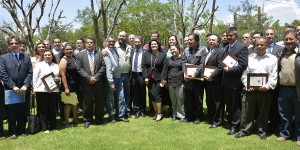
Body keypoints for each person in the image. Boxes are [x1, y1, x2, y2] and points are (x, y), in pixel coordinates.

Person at [236, 37, 278, 140]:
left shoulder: (273, 59)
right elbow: (245, 74)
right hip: (250, 90)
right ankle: (244, 130)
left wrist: (267, 86)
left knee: (263, 112)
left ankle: (262, 131)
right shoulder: (249, 58)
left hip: (265, 90)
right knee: (247, 111)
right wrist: (247, 85)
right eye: (257, 45)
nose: (259, 46)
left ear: (267, 46)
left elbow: (274, 75)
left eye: (262, 45)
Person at [0, 35, 32, 139]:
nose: (14, 45)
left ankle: (21, 130)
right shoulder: (3, 58)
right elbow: (3, 74)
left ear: (19, 44)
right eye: (11, 43)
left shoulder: (26, 58)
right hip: (11, 90)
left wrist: (26, 85)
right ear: (8, 46)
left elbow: (30, 73)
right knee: (11, 112)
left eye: (16, 43)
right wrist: (13, 86)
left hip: (23, 89)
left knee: (23, 111)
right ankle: (12, 132)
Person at [276, 30, 300, 146]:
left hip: (297, 89)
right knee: (284, 113)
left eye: (291, 39)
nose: (288, 41)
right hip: (283, 88)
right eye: (286, 39)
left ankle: (299, 136)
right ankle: (285, 133)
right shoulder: (281, 53)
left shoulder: (299, 53)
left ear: (297, 39)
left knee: (299, 113)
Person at [76, 36, 106, 128]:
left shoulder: (100, 54)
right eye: (88, 42)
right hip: (86, 83)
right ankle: (87, 120)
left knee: (99, 103)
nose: (89, 44)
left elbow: (103, 67)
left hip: (98, 83)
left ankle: (99, 120)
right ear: (85, 44)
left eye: (91, 42)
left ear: (94, 44)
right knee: (87, 103)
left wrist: (95, 78)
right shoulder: (80, 55)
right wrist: (89, 78)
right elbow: (79, 68)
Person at [222, 27, 248, 135]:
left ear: (236, 36)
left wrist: (230, 70)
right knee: (229, 104)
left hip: (235, 82)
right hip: (226, 82)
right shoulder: (226, 47)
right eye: (227, 36)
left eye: (231, 35)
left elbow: (243, 65)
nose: (228, 37)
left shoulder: (241, 47)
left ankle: (236, 126)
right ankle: (231, 122)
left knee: (236, 105)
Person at [182, 33, 208, 124]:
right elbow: (183, 62)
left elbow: (202, 64)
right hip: (187, 78)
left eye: (191, 40)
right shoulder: (185, 50)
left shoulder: (203, 50)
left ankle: (197, 117)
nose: (188, 41)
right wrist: (185, 74)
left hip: (197, 79)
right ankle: (188, 116)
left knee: (198, 99)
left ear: (196, 41)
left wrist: (195, 74)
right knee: (187, 98)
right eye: (188, 40)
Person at [32, 50, 60, 133]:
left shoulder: (55, 65)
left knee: (52, 108)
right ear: (43, 56)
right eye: (46, 55)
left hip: (53, 89)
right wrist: (34, 89)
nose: (47, 56)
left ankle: (53, 126)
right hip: (41, 90)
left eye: (49, 55)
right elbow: (35, 77)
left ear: (52, 56)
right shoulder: (39, 65)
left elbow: (58, 77)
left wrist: (57, 79)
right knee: (43, 109)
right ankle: (44, 128)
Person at [103, 36, 128, 123]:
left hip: (119, 77)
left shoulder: (115, 49)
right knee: (110, 99)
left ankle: (120, 115)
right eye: (109, 41)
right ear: (106, 42)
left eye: (113, 41)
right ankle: (111, 116)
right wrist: (111, 83)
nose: (111, 43)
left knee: (121, 97)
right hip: (111, 79)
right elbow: (108, 69)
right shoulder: (106, 52)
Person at [264, 27, 284, 133]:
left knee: (274, 106)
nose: (269, 36)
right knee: (264, 106)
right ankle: (263, 125)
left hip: (275, 82)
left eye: (271, 34)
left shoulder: (280, 49)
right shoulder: (260, 47)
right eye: (267, 34)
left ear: (275, 36)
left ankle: (274, 126)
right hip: (261, 82)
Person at [203, 34, 225, 128]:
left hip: (216, 81)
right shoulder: (209, 51)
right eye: (210, 40)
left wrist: (212, 76)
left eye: (213, 40)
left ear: (218, 42)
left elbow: (220, 67)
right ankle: (211, 118)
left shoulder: (221, 51)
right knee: (209, 101)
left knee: (217, 102)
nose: (211, 41)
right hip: (207, 81)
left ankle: (218, 121)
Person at [142, 40, 167, 121]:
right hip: (149, 78)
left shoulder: (163, 55)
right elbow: (144, 66)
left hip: (159, 78)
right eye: (152, 44)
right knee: (152, 95)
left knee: (157, 95)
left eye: (155, 44)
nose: (153, 45)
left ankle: (160, 113)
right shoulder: (146, 54)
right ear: (150, 46)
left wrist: (163, 78)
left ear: (158, 45)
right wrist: (145, 76)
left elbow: (164, 67)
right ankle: (156, 112)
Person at [59, 44, 81, 128]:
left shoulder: (74, 58)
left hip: (76, 84)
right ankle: (67, 121)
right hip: (68, 85)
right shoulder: (63, 60)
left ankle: (75, 119)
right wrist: (66, 88)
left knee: (75, 103)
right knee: (68, 104)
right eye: (67, 49)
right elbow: (63, 75)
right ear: (64, 51)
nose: (69, 51)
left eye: (70, 49)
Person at [162, 45, 185, 121]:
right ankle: (174, 114)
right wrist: (164, 80)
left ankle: (181, 115)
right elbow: (165, 70)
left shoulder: (183, 58)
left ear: (178, 50)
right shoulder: (168, 59)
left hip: (180, 82)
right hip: (171, 82)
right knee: (173, 99)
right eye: (171, 50)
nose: (172, 51)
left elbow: (184, 69)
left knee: (180, 99)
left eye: (174, 49)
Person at [115, 31, 132, 118]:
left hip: (127, 74)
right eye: (120, 36)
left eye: (123, 36)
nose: (121, 37)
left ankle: (128, 111)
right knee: (120, 95)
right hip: (118, 74)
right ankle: (121, 113)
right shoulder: (114, 47)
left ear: (126, 37)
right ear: (118, 37)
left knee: (127, 94)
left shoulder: (129, 47)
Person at [130, 36, 146, 118]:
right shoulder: (131, 51)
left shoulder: (145, 52)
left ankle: (143, 110)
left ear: (141, 43)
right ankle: (137, 110)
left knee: (142, 93)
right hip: (133, 75)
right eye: (135, 42)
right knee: (135, 94)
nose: (137, 43)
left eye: (138, 42)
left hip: (141, 75)